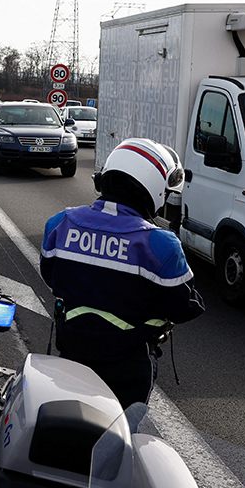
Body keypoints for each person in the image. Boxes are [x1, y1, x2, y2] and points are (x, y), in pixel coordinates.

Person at [40, 138, 205, 408]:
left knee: (63, 423)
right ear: (153, 189)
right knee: (119, 440)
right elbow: (184, 308)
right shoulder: (161, 244)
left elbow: (50, 276)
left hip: (71, 351)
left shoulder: (61, 222)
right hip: (128, 367)